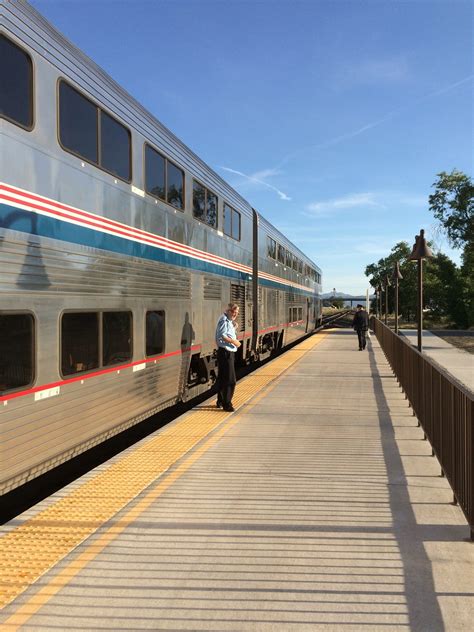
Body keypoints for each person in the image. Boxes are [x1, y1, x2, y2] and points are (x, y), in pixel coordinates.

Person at [215, 303, 241, 411]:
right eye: (233, 312)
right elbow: (222, 336)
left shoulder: (228, 320)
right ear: (228, 311)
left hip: (225, 352)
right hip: (226, 352)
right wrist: (234, 342)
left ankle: (220, 401)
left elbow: (226, 333)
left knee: (222, 378)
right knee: (230, 380)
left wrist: (233, 327)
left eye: (236, 312)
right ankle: (227, 404)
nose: (235, 314)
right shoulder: (224, 320)